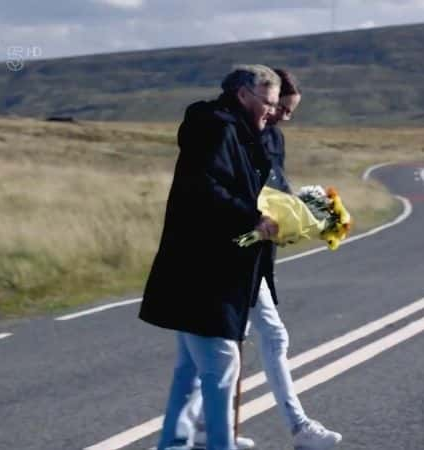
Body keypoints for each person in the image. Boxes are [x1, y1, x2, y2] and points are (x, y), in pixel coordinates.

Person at [177, 69, 343, 450]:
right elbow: (223, 187)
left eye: (288, 110)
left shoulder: (271, 135)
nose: (283, 115)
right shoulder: (236, 132)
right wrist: (262, 218)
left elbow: (275, 187)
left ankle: (201, 429)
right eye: (279, 107)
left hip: (252, 248)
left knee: (217, 345)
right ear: (253, 98)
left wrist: (305, 215)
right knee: (254, 337)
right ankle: (297, 428)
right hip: (231, 249)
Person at [139, 64, 281, 450]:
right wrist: (254, 217)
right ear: (242, 95)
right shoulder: (219, 129)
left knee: (191, 369)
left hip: (208, 267)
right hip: (205, 270)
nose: (272, 111)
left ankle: (175, 442)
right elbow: (204, 188)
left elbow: (236, 187)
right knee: (221, 365)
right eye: (267, 103)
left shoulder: (238, 131)